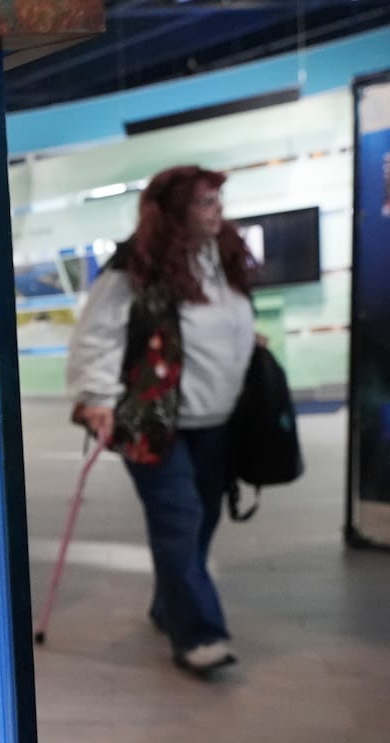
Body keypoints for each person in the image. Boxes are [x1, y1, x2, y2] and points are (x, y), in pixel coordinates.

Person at [67, 165, 256, 678]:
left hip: (214, 420)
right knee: (180, 517)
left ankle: (168, 602)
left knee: (206, 516)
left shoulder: (226, 258)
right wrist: (96, 398)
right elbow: (98, 334)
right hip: (154, 420)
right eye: (202, 201)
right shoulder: (138, 262)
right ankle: (199, 634)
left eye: (217, 198)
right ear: (172, 210)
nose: (216, 208)